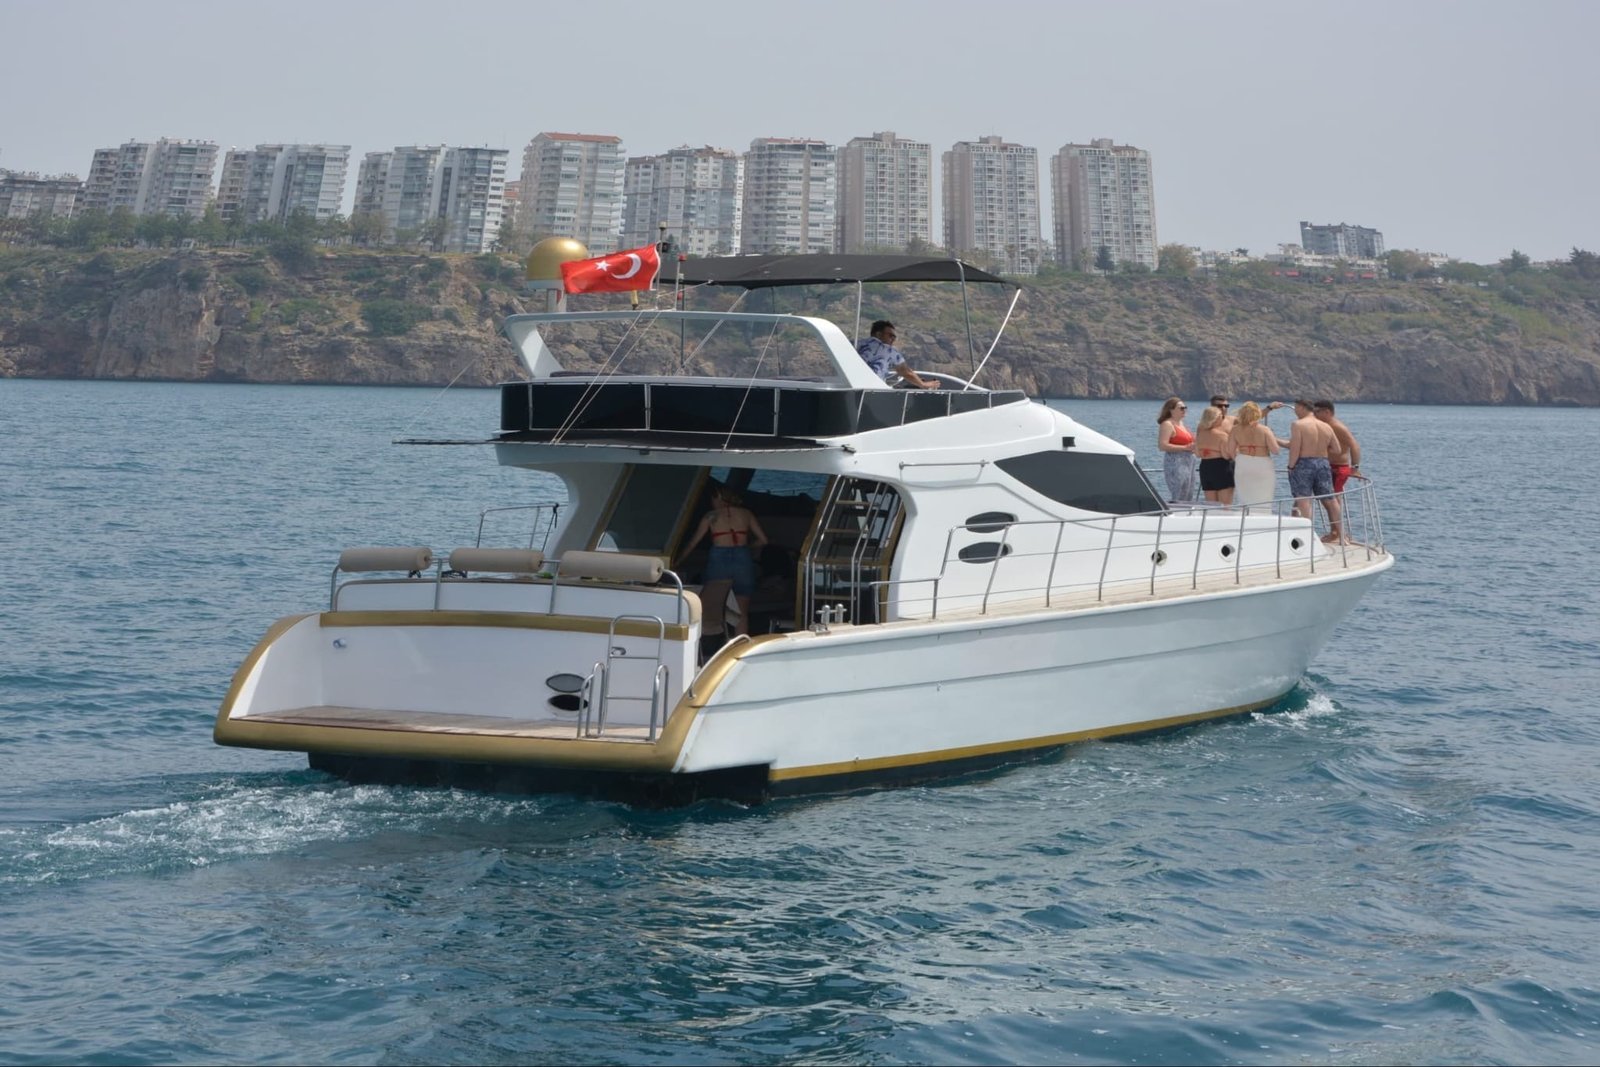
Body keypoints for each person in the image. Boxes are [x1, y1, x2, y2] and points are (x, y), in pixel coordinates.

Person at [676, 486, 769, 636]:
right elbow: (763, 540)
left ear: (718, 498)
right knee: (742, 611)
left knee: (713, 604)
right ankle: (741, 643)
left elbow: (693, 543)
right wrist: (746, 548)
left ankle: (710, 641)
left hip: (719, 559)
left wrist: (678, 561)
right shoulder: (746, 514)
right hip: (742, 559)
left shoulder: (710, 516)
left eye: (713, 499)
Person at [1287, 398, 1341, 540]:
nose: (1295, 411)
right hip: (1323, 463)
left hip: (1304, 464)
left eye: (1296, 408)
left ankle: (1309, 535)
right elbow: (1337, 449)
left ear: (1302, 407)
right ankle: (1342, 535)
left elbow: (1295, 449)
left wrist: (1291, 466)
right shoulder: (1326, 426)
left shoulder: (1298, 424)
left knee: (1304, 499)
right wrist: (1321, 452)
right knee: (1331, 499)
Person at [1227, 401, 1281, 511]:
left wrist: (1240, 459)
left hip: (1243, 462)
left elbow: (1230, 451)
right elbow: (1275, 450)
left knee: (1244, 497)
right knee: (1263, 497)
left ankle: (1245, 517)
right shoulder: (1265, 430)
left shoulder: (1235, 429)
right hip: (1262, 463)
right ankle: (1261, 516)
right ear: (1257, 414)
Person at [856, 320, 940, 389]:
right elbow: (905, 371)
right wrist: (923, 384)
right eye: (890, 336)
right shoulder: (888, 350)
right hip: (871, 391)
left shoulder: (857, 344)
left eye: (894, 337)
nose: (893, 339)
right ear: (878, 334)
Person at [1313, 399, 1362, 494]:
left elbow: (1354, 445)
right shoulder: (1325, 426)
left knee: (1332, 496)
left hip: (1338, 468)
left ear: (1327, 412)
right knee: (1325, 495)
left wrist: (1354, 468)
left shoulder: (1337, 426)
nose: (1314, 415)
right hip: (1327, 466)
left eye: (1317, 412)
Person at [1156, 397, 1198, 503]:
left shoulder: (1182, 424)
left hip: (1189, 462)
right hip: (1176, 462)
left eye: (1185, 408)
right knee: (1179, 492)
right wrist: (1185, 448)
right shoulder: (1167, 424)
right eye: (1181, 408)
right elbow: (1162, 445)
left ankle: (1186, 511)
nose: (1184, 410)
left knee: (1188, 493)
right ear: (1171, 410)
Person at [1194, 404, 1234, 505]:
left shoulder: (1200, 434)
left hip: (1205, 467)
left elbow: (1197, 454)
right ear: (1215, 419)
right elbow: (1226, 455)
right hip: (1221, 468)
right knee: (1225, 506)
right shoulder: (1222, 435)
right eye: (1221, 417)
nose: (1223, 419)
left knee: (1211, 505)